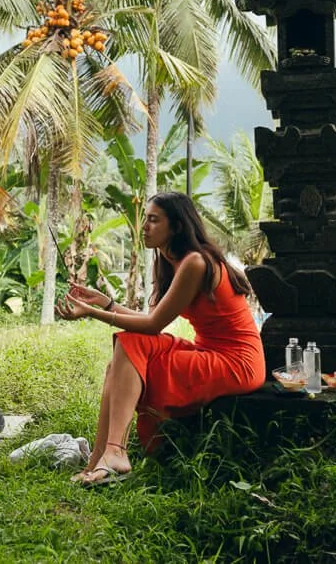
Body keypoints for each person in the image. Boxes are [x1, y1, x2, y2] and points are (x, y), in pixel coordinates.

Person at [55, 192, 265, 486]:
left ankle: (115, 452)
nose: (144, 227)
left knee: (132, 343)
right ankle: (100, 460)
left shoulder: (196, 262)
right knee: (121, 359)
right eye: (145, 220)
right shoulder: (169, 261)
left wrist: (91, 312)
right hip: (208, 350)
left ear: (177, 226)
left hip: (237, 362)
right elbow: (150, 320)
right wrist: (107, 304)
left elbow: (153, 325)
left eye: (154, 220)